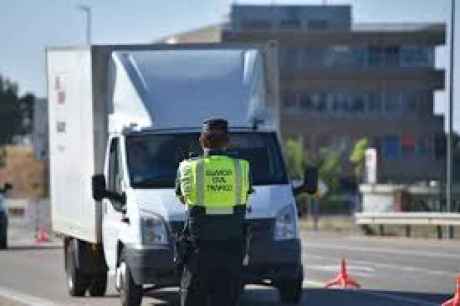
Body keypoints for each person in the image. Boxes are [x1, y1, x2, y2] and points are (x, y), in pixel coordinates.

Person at [175, 118, 252, 306]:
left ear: (202, 141)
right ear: (227, 141)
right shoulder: (242, 167)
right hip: (231, 252)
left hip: (198, 253)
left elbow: (182, 198)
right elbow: (246, 193)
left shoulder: (187, 167)